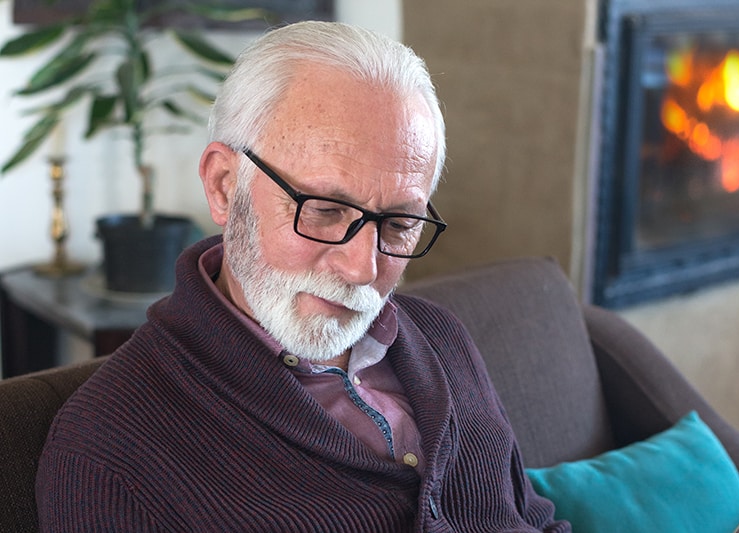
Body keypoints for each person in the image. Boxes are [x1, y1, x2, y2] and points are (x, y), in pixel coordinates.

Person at [36, 21, 570, 532]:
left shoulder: (439, 335)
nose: (364, 269)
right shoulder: (109, 448)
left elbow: (530, 518)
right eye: (325, 210)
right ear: (225, 186)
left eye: (401, 222)